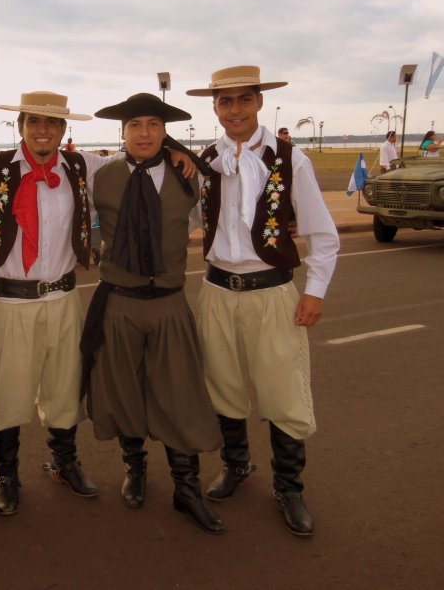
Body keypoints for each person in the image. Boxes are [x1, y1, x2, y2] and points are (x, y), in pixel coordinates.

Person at [185, 65, 339, 536]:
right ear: (215, 108)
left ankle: (289, 487)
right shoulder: (205, 159)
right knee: (224, 387)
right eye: (225, 102)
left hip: (271, 290)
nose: (234, 110)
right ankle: (237, 464)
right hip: (216, 289)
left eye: (243, 100)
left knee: (283, 392)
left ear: (258, 103)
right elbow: (189, 216)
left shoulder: (292, 160)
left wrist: (314, 291)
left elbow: (323, 235)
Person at [80, 93, 224, 535]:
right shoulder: (98, 176)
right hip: (119, 303)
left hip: (168, 302)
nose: (145, 133)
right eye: (136, 125)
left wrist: (182, 153)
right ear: (122, 133)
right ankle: (135, 469)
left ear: (165, 132)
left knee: (178, 394)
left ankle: (186, 488)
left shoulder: (190, 178)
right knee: (124, 391)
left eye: (154, 125)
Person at [0, 91, 101, 515]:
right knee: (7, 393)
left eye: (53, 123)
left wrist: (173, 149)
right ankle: (6, 474)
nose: (43, 131)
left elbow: (134, 161)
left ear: (63, 130)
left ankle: (64, 461)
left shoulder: (81, 166)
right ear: (21, 125)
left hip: (63, 297)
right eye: (34, 122)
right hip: (11, 302)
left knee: (64, 388)